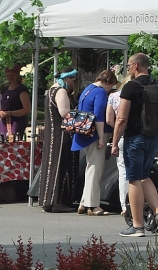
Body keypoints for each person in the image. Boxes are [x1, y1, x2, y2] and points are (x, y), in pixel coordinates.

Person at [111, 53, 158, 237]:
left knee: (134, 179)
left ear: (136, 66)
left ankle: (137, 226)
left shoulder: (131, 87)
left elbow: (121, 118)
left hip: (135, 137)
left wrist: (114, 143)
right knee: (145, 176)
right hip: (153, 137)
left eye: (128, 66)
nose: (127, 69)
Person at [72, 69, 116, 215]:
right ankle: (93, 205)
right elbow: (98, 116)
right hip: (95, 135)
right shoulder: (101, 92)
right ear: (108, 82)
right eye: (112, 85)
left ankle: (84, 202)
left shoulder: (88, 89)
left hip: (84, 133)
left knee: (90, 168)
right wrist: (102, 138)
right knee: (95, 169)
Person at [38, 67, 80, 213]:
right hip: (62, 135)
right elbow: (65, 113)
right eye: (73, 80)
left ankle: (48, 201)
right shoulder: (61, 91)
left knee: (52, 165)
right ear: (67, 78)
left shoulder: (51, 90)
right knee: (62, 166)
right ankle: (59, 202)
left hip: (53, 134)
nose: (73, 83)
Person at [105, 71, 129, 214]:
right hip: (139, 135)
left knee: (123, 171)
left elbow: (108, 119)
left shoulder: (113, 96)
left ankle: (124, 205)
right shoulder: (141, 93)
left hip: (121, 136)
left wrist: (117, 130)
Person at [0, 67, 31, 140]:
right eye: (8, 76)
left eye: (12, 75)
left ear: (17, 76)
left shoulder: (21, 90)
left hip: (17, 123)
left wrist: (9, 113)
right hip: (4, 124)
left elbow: (26, 110)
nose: (10, 78)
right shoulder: (4, 90)